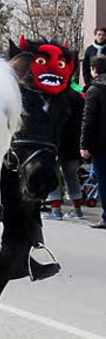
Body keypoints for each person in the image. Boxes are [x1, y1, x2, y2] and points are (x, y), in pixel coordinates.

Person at [44, 85, 85, 220]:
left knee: (53, 176)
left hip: (56, 143)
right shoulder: (78, 97)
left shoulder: (53, 96)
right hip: (74, 144)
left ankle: (56, 210)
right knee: (72, 176)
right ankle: (78, 209)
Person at [80, 55, 106, 229]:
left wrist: (84, 145)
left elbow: (88, 120)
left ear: (94, 69)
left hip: (101, 143)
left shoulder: (94, 90)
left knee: (103, 180)